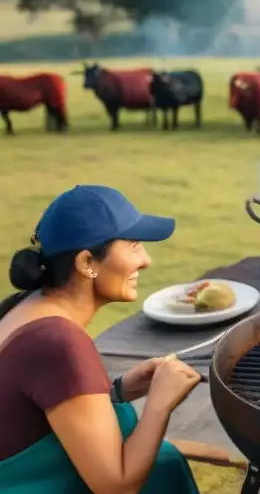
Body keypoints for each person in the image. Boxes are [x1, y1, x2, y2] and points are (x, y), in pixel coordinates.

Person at [0, 185, 202, 493]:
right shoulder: (59, 342)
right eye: (134, 245)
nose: (146, 261)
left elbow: (29, 417)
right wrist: (160, 404)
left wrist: (118, 391)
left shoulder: (23, 306)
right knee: (164, 464)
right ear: (86, 263)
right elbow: (115, 486)